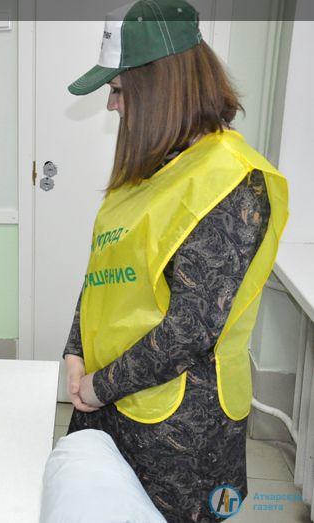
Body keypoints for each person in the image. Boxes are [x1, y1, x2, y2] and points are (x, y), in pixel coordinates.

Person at [62, 1, 288, 521]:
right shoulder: (147, 174)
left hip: (180, 428)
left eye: (117, 90)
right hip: (110, 398)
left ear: (158, 84)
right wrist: (77, 350)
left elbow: (192, 327)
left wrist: (99, 385)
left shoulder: (232, 180)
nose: (111, 106)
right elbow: (104, 272)